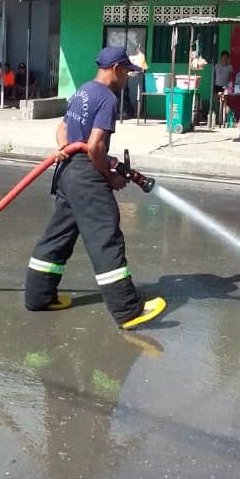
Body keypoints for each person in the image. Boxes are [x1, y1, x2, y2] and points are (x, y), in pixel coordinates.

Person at [24, 46, 167, 330]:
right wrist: (111, 178)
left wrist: (64, 148)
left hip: (66, 173)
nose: (128, 77)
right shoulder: (107, 98)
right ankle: (128, 310)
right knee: (106, 238)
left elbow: (62, 130)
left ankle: (39, 296)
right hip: (87, 176)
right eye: (127, 71)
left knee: (58, 236)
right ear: (115, 68)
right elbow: (95, 146)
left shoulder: (83, 91)